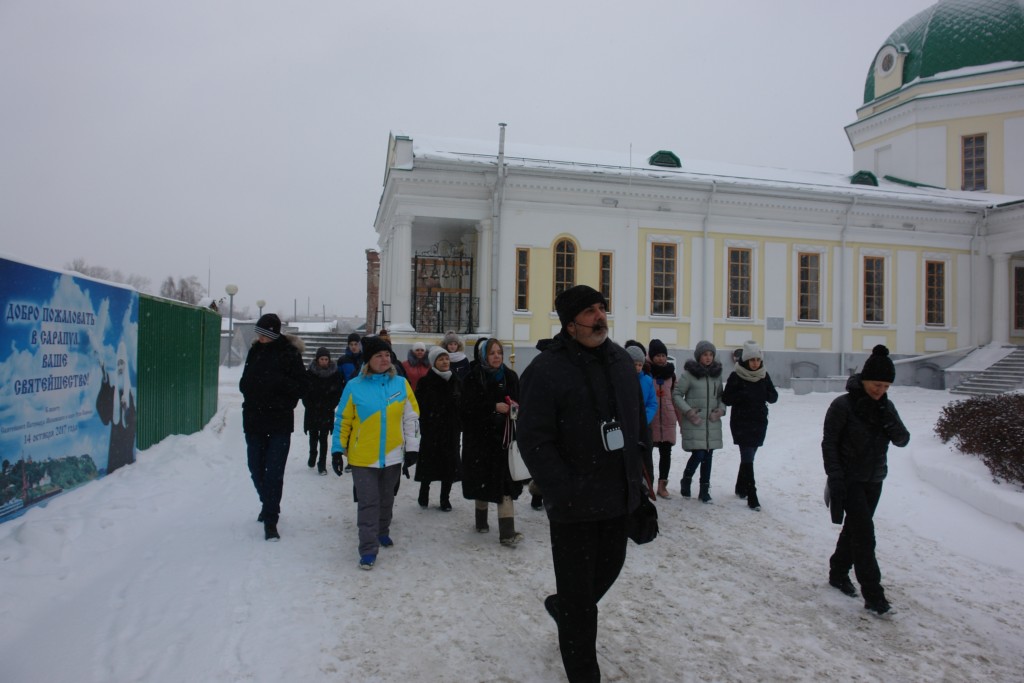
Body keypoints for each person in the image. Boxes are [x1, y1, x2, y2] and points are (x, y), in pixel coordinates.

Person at [517, 285, 647, 683]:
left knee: (608, 570)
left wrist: (639, 488)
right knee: (579, 599)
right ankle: (583, 671)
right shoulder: (546, 370)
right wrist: (563, 490)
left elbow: (635, 426)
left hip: (617, 496)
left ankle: (565, 609)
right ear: (570, 324)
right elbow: (533, 439)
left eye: (601, 308)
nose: (600, 316)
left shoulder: (620, 361)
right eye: (590, 311)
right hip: (574, 504)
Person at [822, 344, 910, 615]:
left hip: (874, 479)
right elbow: (829, 444)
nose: (880, 390)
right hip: (849, 479)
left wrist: (888, 418)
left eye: (886, 386)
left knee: (854, 529)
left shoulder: (886, 406)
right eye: (876, 384)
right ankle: (874, 595)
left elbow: (902, 440)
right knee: (864, 535)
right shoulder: (843, 405)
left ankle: (838, 571)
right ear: (864, 380)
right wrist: (835, 477)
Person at [331, 335, 420, 570]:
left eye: (387, 355)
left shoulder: (400, 384)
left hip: (392, 456)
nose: (384, 359)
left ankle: (382, 530)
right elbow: (343, 420)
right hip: (363, 457)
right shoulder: (354, 386)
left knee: (386, 499)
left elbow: (411, 419)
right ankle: (368, 549)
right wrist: (337, 449)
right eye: (379, 355)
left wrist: (412, 448)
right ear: (368, 360)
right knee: (368, 502)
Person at [239, 313, 307, 541]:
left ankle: (271, 520)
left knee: (274, 473)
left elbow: (301, 386)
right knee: (255, 468)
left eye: (264, 335)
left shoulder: (290, 354)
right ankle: (267, 502)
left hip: (279, 422)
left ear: (274, 334)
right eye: (259, 334)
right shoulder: (255, 351)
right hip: (253, 421)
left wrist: (276, 384)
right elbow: (245, 381)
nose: (260, 338)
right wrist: (248, 387)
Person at [460, 337, 524, 545]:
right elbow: (466, 407)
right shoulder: (473, 377)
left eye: (499, 352)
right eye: (492, 353)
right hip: (480, 440)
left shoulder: (510, 376)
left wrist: (514, 408)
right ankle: (481, 521)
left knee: (505, 485)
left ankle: (507, 533)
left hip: (504, 439)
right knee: (483, 481)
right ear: (484, 356)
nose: (497, 356)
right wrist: (492, 407)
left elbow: (520, 401)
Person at [721, 341, 778, 510]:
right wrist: (743, 394)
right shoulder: (736, 376)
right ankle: (752, 494)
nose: (755, 363)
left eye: (758, 360)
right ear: (745, 360)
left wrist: (765, 393)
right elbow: (726, 399)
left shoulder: (763, 375)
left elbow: (773, 397)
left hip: (759, 422)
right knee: (747, 457)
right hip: (742, 422)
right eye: (752, 360)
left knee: (750, 456)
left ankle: (740, 487)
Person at [672, 340, 725, 503]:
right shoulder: (689, 374)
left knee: (708, 456)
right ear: (698, 356)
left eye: (711, 355)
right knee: (699, 454)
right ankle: (686, 479)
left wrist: (721, 410)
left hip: (711, 423)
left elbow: (721, 397)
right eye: (705, 354)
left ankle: (704, 490)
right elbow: (676, 394)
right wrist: (688, 411)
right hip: (695, 422)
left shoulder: (717, 375)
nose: (708, 358)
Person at [414, 346, 463, 511]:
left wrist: (459, 421)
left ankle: (445, 499)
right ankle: (424, 492)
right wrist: (426, 424)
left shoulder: (456, 381)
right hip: (432, 431)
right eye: (441, 359)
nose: (445, 362)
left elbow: (463, 404)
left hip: (451, 430)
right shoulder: (425, 382)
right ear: (433, 362)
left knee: (449, 465)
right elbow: (419, 407)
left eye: (446, 358)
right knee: (428, 464)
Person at [96, 340, 137, 474]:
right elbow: (103, 404)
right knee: (114, 472)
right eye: (118, 363)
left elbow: (132, 422)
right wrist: (104, 377)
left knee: (125, 471)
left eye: (122, 363)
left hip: (125, 442)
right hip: (115, 441)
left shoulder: (129, 393)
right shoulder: (113, 391)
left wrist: (126, 410)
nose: (120, 367)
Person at [302, 347, 343, 475]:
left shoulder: (334, 375)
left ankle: (322, 463)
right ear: (317, 359)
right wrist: (309, 405)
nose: (324, 361)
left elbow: (337, 392)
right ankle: (313, 454)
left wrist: (331, 405)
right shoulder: (310, 374)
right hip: (312, 410)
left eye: (326, 359)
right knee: (313, 435)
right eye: (322, 359)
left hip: (327, 410)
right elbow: (305, 392)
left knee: (324, 438)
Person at [647, 338, 679, 499]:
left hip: (667, 419)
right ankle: (648, 484)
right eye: (658, 355)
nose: (661, 359)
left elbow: (676, 398)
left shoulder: (671, 375)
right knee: (647, 454)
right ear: (651, 356)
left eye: (663, 355)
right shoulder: (647, 373)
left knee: (666, 453)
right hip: (651, 419)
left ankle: (662, 485)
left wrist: (681, 421)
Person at [627, 345, 658, 482]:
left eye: (640, 364)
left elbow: (652, 403)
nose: (638, 367)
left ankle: (647, 484)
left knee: (646, 456)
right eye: (635, 364)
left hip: (644, 425)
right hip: (627, 425)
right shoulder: (621, 380)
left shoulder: (647, 381)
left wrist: (644, 418)